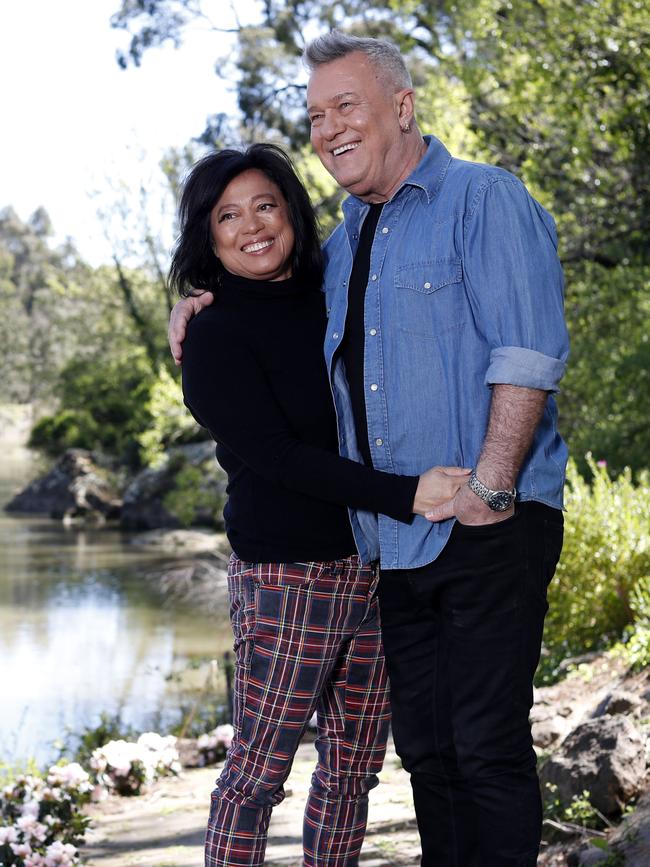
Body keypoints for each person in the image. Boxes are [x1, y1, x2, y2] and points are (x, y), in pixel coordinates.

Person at [169, 32, 570, 867]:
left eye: (345, 105)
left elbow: (527, 353)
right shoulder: (350, 242)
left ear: (402, 105)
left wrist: (490, 490)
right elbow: (274, 405)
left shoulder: (480, 198)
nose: (328, 128)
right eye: (315, 114)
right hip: (383, 549)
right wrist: (194, 306)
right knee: (424, 753)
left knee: (482, 746)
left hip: (483, 523)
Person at [170, 142, 469, 867]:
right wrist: (406, 494)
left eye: (265, 205)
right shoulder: (212, 334)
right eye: (228, 216)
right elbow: (277, 457)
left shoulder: (335, 290)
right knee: (257, 775)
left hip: (372, 563)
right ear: (208, 238)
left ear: (292, 210)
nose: (252, 226)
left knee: (354, 768)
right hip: (287, 579)